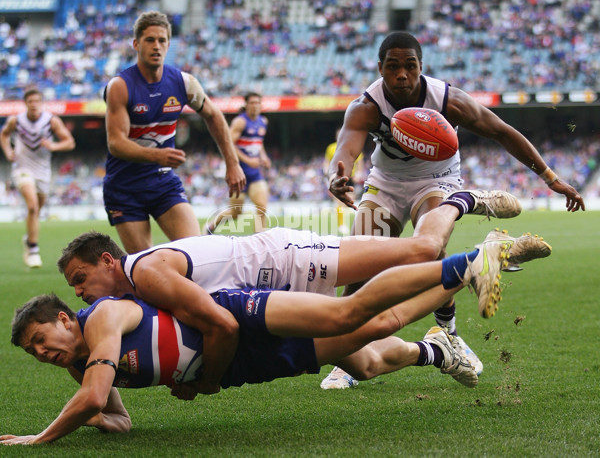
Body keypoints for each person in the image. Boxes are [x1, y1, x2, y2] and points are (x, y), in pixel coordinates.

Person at [3, 237, 533, 444]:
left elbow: (97, 397)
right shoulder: (84, 365)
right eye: (31, 352)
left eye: (38, 337)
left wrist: (41, 438)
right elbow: (112, 413)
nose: (40, 352)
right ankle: (461, 285)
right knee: (373, 339)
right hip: (240, 368)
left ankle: (468, 258)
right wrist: (94, 415)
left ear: (66, 318)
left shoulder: (101, 316)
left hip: (238, 317)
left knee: (350, 311)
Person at [325, 31, 584, 388]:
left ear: (422, 67)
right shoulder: (366, 106)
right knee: (358, 263)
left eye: (410, 66)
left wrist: (550, 177)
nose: (402, 74)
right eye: (393, 67)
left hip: (437, 177)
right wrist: (339, 174)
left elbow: (502, 131)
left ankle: (448, 332)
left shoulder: (448, 100)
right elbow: (346, 149)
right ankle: (352, 350)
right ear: (380, 69)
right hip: (385, 182)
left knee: (431, 248)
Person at [56, 224, 550, 395]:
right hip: (259, 300)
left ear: (107, 260)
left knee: (416, 253)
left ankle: (466, 214)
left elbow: (219, 322)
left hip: (275, 266)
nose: (81, 293)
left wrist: (205, 379)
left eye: (81, 279)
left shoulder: (144, 274)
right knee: (370, 354)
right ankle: (439, 348)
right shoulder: (133, 295)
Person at [103, 11, 245, 253]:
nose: (156, 46)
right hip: (124, 187)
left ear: (169, 44)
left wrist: (232, 164)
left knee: (196, 254)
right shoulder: (120, 86)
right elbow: (116, 143)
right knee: (144, 267)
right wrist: (157, 155)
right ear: (136, 44)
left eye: (162, 40)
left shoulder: (183, 82)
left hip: (162, 180)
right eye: (149, 40)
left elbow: (214, 115)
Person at [0, 87, 75, 268]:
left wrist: (52, 146)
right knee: (32, 206)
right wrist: (8, 151)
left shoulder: (51, 121)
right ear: (25, 104)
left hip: (43, 171)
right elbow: (4, 135)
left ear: (42, 103)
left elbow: (69, 142)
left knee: (37, 210)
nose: (33, 105)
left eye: (36, 101)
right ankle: (33, 249)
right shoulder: (16, 121)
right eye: (30, 101)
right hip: (22, 168)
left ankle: (28, 238)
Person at [205, 92, 272, 234]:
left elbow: (258, 143)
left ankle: (260, 242)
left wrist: (263, 156)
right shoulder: (240, 122)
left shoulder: (263, 121)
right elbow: (228, 144)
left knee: (262, 207)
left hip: (254, 173)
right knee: (236, 213)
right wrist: (248, 160)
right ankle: (211, 225)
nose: (255, 106)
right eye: (252, 103)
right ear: (246, 105)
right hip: (238, 172)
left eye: (258, 103)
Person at [322, 127, 365, 234]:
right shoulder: (331, 148)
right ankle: (341, 225)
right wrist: (327, 172)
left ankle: (355, 224)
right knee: (339, 201)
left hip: (351, 177)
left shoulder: (353, 145)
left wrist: (359, 173)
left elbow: (360, 161)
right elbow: (327, 161)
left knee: (352, 200)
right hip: (338, 177)